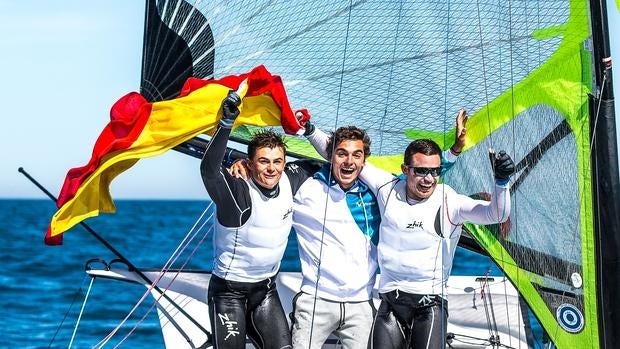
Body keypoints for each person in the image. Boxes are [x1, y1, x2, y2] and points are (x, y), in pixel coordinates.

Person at [305, 111, 510, 348]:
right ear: (405, 169)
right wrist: (309, 130)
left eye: (434, 172)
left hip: (430, 307)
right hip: (391, 304)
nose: (428, 179)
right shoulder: (387, 188)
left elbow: (497, 214)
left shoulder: (449, 201)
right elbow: (342, 158)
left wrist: (501, 182)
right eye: (421, 171)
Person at [200, 91, 316, 348]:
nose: (272, 169)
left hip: (265, 292)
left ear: (285, 163)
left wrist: (310, 130)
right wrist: (226, 125)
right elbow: (209, 171)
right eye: (263, 162)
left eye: (277, 162)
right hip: (228, 295)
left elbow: (332, 159)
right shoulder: (238, 193)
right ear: (250, 164)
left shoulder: (290, 179)